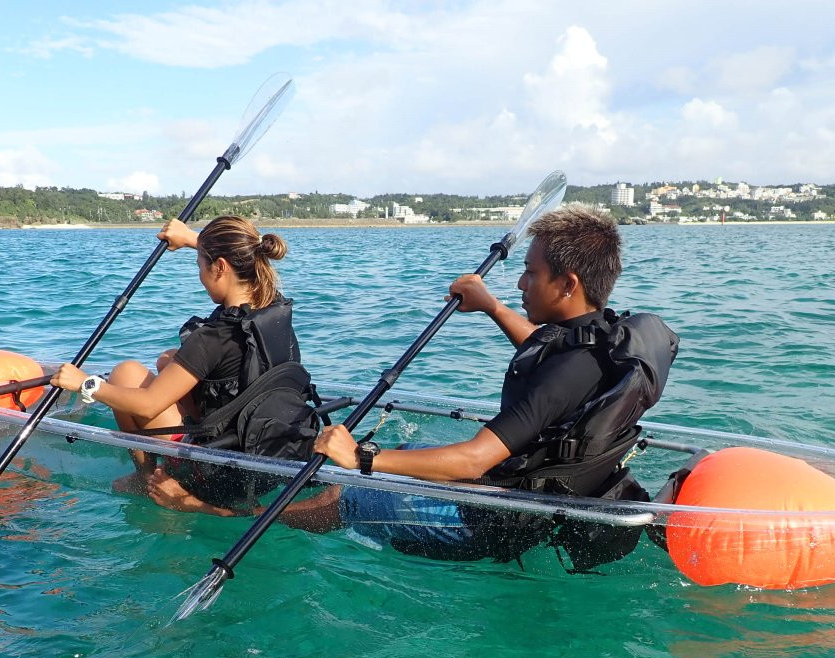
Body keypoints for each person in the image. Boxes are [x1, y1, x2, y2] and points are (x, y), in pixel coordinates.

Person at [278, 203, 679, 566]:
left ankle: (262, 518)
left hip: (487, 520)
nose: (521, 283)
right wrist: (491, 306)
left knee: (352, 492)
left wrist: (360, 457)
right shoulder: (601, 340)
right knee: (402, 454)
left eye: (531, 273)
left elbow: (473, 461)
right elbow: (543, 350)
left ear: (568, 284)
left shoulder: (564, 374)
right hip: (520, 496)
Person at [50, 215, 318, 513]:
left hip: (219, 470)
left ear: (220, 267)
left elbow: (148, 406)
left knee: (124, 375)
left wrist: (86, 384)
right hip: (270, 454)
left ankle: (149, 480)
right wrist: (192, 239)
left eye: (200, 266)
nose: (200, 277)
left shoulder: (213, 338)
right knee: (166, 360)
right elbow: (238, 256)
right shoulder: (273, 307)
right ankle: (162, 472)